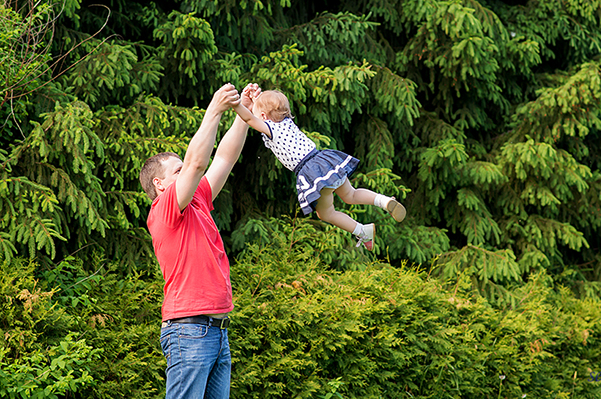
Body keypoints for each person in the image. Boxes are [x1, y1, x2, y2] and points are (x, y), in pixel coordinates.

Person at [139, 83, 257, 399]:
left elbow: (225, 159)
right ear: (159, 184)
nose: (187, 173)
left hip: (216, 331)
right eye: (177, 171)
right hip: (189, 331)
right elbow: (197, 163)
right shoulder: (163, 208)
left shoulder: (198, 200)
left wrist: (243, 114)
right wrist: (214, 109)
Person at [233, 85, 406, 251]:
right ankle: (384, 201)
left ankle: (362, 231)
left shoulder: (271, 128)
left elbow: (249, 119)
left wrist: (236, 104)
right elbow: (264, 112)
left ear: (263, 116)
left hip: (313, 172)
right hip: (324, 160)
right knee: (351, 194)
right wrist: (257, 100)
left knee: (326, 214)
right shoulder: (286, 121)